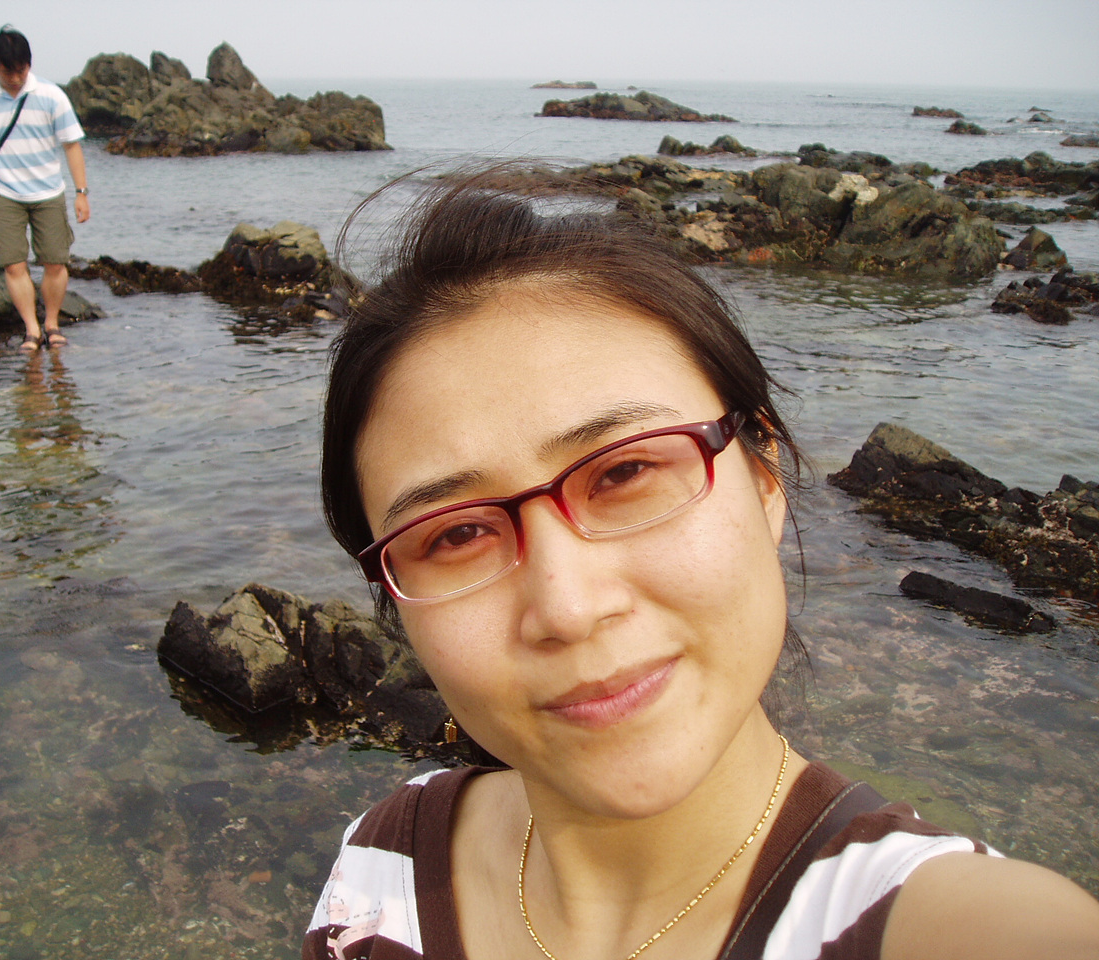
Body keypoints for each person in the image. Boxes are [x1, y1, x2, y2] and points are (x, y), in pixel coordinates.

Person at [304, 165, 1099, 960]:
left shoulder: (946, 928)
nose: (568, 608)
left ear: (764, 477)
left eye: (625, 472)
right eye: (454, 535)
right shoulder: (383, 873)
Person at [0, 25, 90, 351]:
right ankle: (32, 329)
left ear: (29, 64)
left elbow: (72, 145)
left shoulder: (51, 95)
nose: (15, 78)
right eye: (7, 71)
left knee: (55, 262)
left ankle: (52, 324)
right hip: (4, 194)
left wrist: (81, 193)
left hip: (49, 192)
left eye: (21, 70)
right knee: (14, 264)